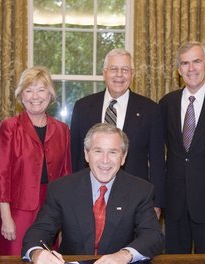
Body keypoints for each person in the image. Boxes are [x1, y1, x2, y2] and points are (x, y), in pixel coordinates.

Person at [22, 123, 164, 264]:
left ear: (123, 157)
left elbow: (153, 236)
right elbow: (39, 231)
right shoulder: (61, 189)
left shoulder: (140, 190)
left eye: (113, 152)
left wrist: (124, 255)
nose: (105, 160)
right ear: (86, 154)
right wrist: (36, 253)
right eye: (98, 151)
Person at [70, 48, 165, 218]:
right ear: (104, 73)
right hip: (89, 197)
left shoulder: (151, 110)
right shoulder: (82, 107)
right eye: (114, 69)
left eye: (125, 69)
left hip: (135, 199)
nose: (119, 75)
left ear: (132, 74)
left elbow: (157, 160)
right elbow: (76, 156)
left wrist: (156, 203)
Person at [159, 42, 205, 254]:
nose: (191, 68)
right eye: (185, 63)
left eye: (197, 61)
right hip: (175, 203)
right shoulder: (166, 104)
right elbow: (158, 152)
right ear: (179, 69)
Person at [0, 67, 71, 255]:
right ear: (21, 96)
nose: (35, 96)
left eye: (41, 89)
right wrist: (6, 217)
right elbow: (1, 174)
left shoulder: (62, 130)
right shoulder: (10, 127)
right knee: (13, 263)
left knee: (46, 263)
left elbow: (66, 175)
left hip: (50, 210)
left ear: (50, 94)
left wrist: (63, 220)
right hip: (17, 210)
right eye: (29, 90)